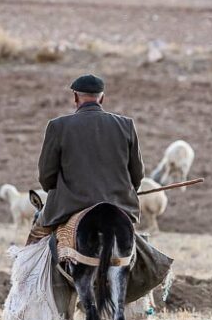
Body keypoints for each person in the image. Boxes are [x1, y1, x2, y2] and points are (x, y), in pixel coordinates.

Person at [29, 73, 145, 242]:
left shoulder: (58, 126)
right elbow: (137, 173)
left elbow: (46, 176)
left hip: (68, 207)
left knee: (35, 238)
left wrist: (61, 193)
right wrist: (124, 193)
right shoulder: (126, 125)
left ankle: (25, 268)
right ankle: (158, 267)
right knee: (140, 246)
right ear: (102, 98)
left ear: (75, 97)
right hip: (118, 205)